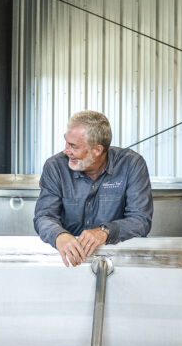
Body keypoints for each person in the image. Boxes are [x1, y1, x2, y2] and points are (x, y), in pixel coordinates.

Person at [34, 110, 153, 267]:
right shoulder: (55, 167)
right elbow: (44, 216)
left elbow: (141, 220)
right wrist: (59, 235)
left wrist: (105, 231)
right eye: (66, 142)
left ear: (97, 150)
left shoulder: (131, 165)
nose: (66, 151)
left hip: (117, 261)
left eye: (73, 146)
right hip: (68, 261)